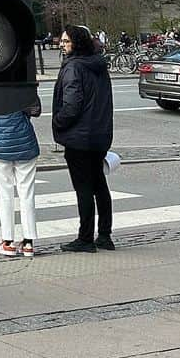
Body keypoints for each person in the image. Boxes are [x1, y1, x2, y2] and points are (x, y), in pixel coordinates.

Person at [53, 24, 115, 253]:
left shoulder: (74, 67)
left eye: (66, 41)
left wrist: (59, 123)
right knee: (99, 184)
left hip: (78, 137)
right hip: (99, 135)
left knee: (84, 188)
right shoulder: (98, 64)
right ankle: (105, 235)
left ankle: (85, 238)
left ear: (77, 43)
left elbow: (72, 104)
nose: (62, 44)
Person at [0, 103, 40, 258]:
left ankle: (8, 242)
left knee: (4, 194)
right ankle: (28, 243)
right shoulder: (23, 82)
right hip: (24, 142)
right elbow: (36, 110)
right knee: (27, 193)